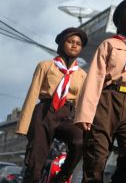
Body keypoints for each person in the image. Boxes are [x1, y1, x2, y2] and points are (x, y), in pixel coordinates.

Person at [75, 0, 126, 182]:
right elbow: (94, 80)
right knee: (97, 155)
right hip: (107, 100)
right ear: (121, 19)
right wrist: (85, 114)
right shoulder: (109, 45)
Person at [17, 27, 88, 183]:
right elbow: (32, 94)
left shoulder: (82, 74)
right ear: (62, 43)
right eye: (70, 41)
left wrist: (83, 121)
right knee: (35, 161)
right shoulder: (46, 65)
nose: (74, 45)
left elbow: (82, 102)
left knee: (80, 140)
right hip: (44, 112)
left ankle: (61, 177)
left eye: (78, 43)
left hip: (67, 114)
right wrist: (23, 126)